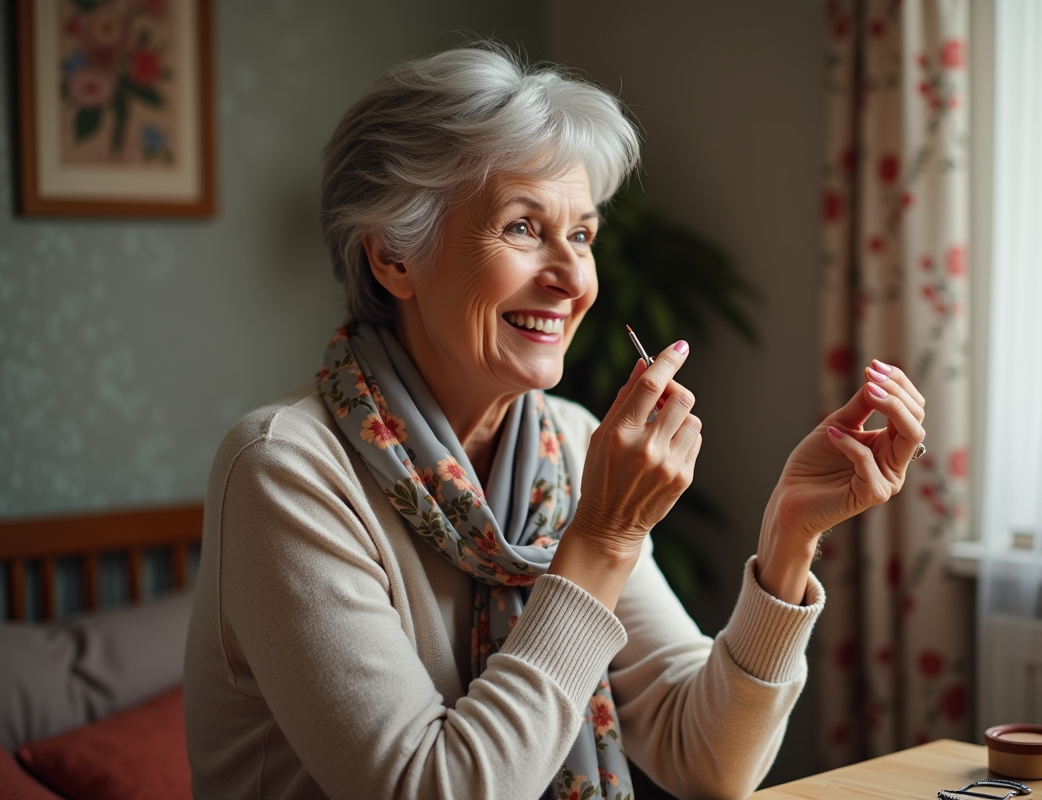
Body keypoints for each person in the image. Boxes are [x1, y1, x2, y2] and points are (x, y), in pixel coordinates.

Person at [184, 45, 927, 800]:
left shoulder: (565, 443)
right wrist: (600, 539)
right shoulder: (284, 469)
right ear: (394, 257)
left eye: (581, 234)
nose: (573, 280)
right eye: (522, 228)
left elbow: (707, 761)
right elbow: (429, 788)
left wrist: (789, 540)